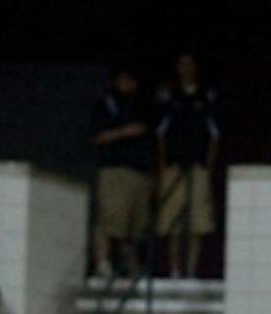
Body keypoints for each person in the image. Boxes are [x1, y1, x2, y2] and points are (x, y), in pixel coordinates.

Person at [155, 52, 220, 279]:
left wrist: (208, 169)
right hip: (174, 166)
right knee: (172, 222)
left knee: (197, 224)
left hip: (198, 167)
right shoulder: (169, 96)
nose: (186, 68)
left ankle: (191, 270)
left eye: (190, 63)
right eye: (181, 63)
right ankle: (174, 269)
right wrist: (163, 167)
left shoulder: (207, 96)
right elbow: (161, 135)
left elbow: (214, 136)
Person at [90, 63, 152, 281]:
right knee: (109, 218)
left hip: (138, 172)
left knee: (132, 225)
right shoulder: (106, 104)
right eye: (123, 80)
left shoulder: (141, 106)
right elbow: (96, 137)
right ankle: (103, 261)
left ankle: (132, 266)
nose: (127, 84)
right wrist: (125, 132)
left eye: (131, 80)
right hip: (114, 169)